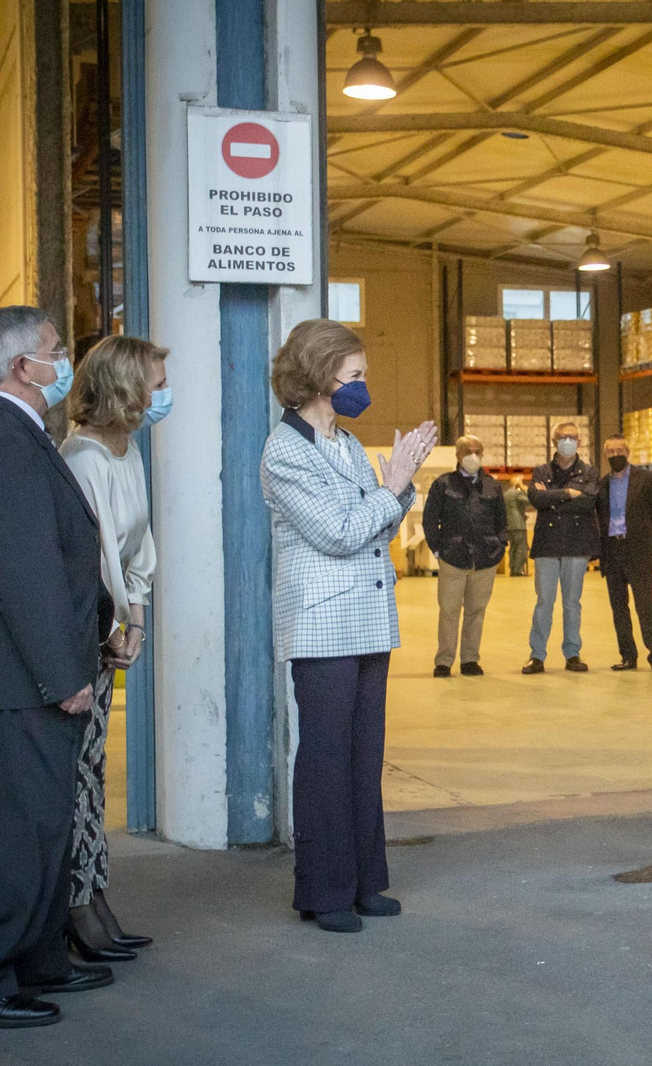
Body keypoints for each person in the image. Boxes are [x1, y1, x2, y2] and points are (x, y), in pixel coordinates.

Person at [0, 306, 113, 1029]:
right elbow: (25, 572)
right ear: (20, 367)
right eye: (52, 350)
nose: (62, 359)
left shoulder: (16, 435)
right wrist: (62, 673)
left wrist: (98, 632)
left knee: (45, 824)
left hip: (32, 666)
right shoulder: (2, 442)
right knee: (13, 833)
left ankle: (37, 958)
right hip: (19, 673)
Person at [261, 319, 436, 934]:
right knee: (326, 757)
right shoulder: (285, 451)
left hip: (367, 618)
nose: (364, 387)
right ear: (318, 376)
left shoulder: (345, 444)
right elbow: (336, 532)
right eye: (355, 376)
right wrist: (389, 490)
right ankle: (323, 889)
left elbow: (377, 526)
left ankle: (364, 881)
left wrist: (399, 483)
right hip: (322, 624)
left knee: (365, 757)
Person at [59, 335, 168, 964]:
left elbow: (137, 546)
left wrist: (140, 617)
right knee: (79, 779)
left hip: (117, 625)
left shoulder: (128, 451)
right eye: (155, 381)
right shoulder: (84, 456)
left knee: (95, 775)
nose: (161, 393)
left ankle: (95, 892)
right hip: (87, 632)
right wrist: (114, 627)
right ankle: (76, 904)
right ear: (125, 387)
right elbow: (92, 559)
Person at [422, 435, 506, 678]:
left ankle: (470, 659)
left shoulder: (492, 485)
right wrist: (438, 549)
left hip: (485, 559)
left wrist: (500, 547)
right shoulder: (443, 484)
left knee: (476, 611)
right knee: (448, 611)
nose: (473, 456)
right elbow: (430, 519)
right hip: (453, 558)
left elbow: (502, 521)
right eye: (468, 451)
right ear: (458, 456)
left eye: (477, 451)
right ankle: (444, 661)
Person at [522, 422, 599, 675]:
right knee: (544, 601)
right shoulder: (541, 470)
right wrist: (568, 492)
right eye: (563, 437)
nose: (568, 441)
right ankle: (537, 655)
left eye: (572, 437)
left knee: (571, 603)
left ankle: (573, 653)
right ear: (554, 441)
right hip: (546, 545)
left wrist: (552, 497)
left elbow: (588, 503)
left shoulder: (589, 472)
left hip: (576, 545)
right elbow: (535, 499)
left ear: (580, 441)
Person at [595, 435, 652, 672]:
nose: (615, 455)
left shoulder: (646, 479)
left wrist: (641, 536)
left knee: (644, 604)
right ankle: (627, 655)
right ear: (606, 455)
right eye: (610, 451)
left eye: (619, 450)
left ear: (627, 452)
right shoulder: (602, 485)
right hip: (612, 551)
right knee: (619, 607)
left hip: (637, 550)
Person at [503, 475, 530, 577]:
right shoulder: (517, 493)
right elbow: (529, 501)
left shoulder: (506, 494)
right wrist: (525, 490)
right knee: (521, 548)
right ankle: (518, 570)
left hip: (509, 525)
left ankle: (513, 568)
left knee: (513, 548)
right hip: (518, 525)